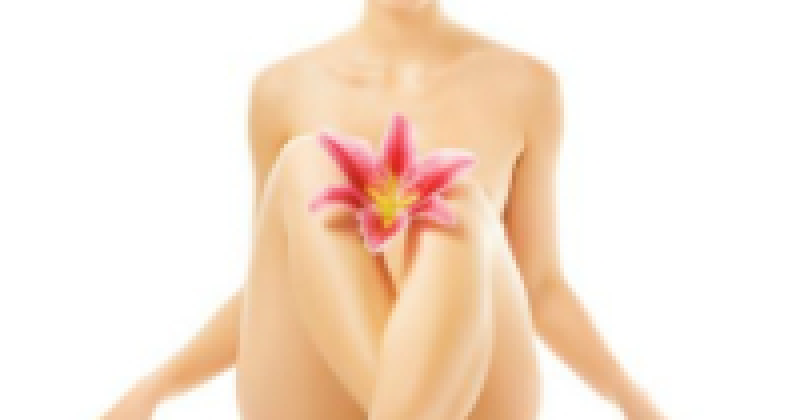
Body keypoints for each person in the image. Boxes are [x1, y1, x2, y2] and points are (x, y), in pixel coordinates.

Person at [102, 0, 666, 419]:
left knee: (457, 201)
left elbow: (539, 286)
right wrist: (157, 387)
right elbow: (273, 283)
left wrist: (632, 400)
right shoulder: (281, 91)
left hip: (477, 387)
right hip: (325, 389)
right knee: (306, 160)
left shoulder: (526, 86)